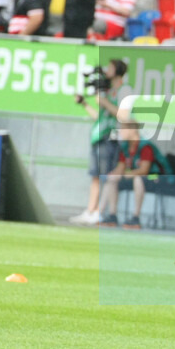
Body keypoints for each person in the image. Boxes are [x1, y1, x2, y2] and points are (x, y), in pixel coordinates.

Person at [71, 59, 134, 225]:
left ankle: (100, 211)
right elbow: (99, 117)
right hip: (99, 136)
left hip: (111, 138)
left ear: (118, 71)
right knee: (95, 176)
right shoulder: (108, 91)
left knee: (105, 176)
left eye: (111, 67)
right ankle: (90, 210)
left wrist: (105, 103)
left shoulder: (124, 90)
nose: (107, 70)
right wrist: (84, 103)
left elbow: (124, 116)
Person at [99, 125, 174, 229]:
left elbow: (144, 170)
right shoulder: (125, 147)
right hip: (136, 177)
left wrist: (127, 174)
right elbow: (121, 167)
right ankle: (109, 215)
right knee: (112, 179)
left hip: (156, 177)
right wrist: (114, 174)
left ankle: (136, 217)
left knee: (138, 178)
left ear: (133, 130)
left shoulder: (145, 146)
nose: (120, 133)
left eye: (123, 130)